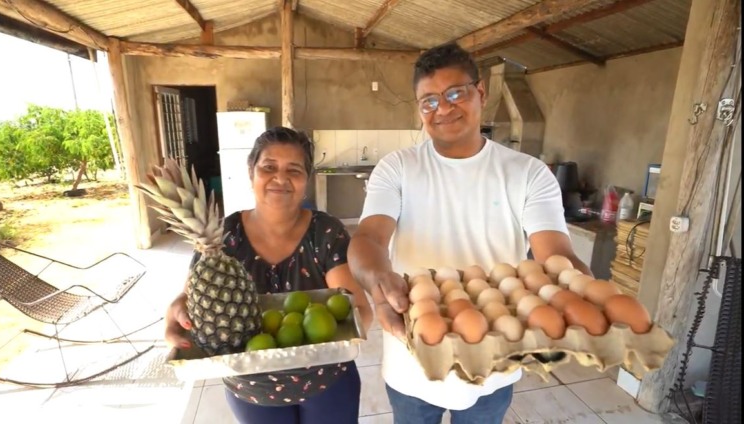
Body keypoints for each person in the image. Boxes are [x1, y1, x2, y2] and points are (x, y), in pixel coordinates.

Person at [347, 43, 592, 424]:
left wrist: (576, 287)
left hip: (494, 362)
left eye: (454, 94)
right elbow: (369, 238)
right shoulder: (398, 168)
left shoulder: (528, 173)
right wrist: (378, 280)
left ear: (480, 92)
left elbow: (554, 252)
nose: (442, 109)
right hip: (414, 360)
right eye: (429, 101)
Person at [165, 126, 373, 424]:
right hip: (251, 389)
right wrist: (177, 311)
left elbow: (358, 309)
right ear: (251, 173)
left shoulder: (326, 232)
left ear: (306, 179)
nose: (280, 178)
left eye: (294, 170)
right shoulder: (221, 238)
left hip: (327, 381)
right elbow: (188, 299)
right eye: (269, 167)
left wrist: (337, 337)